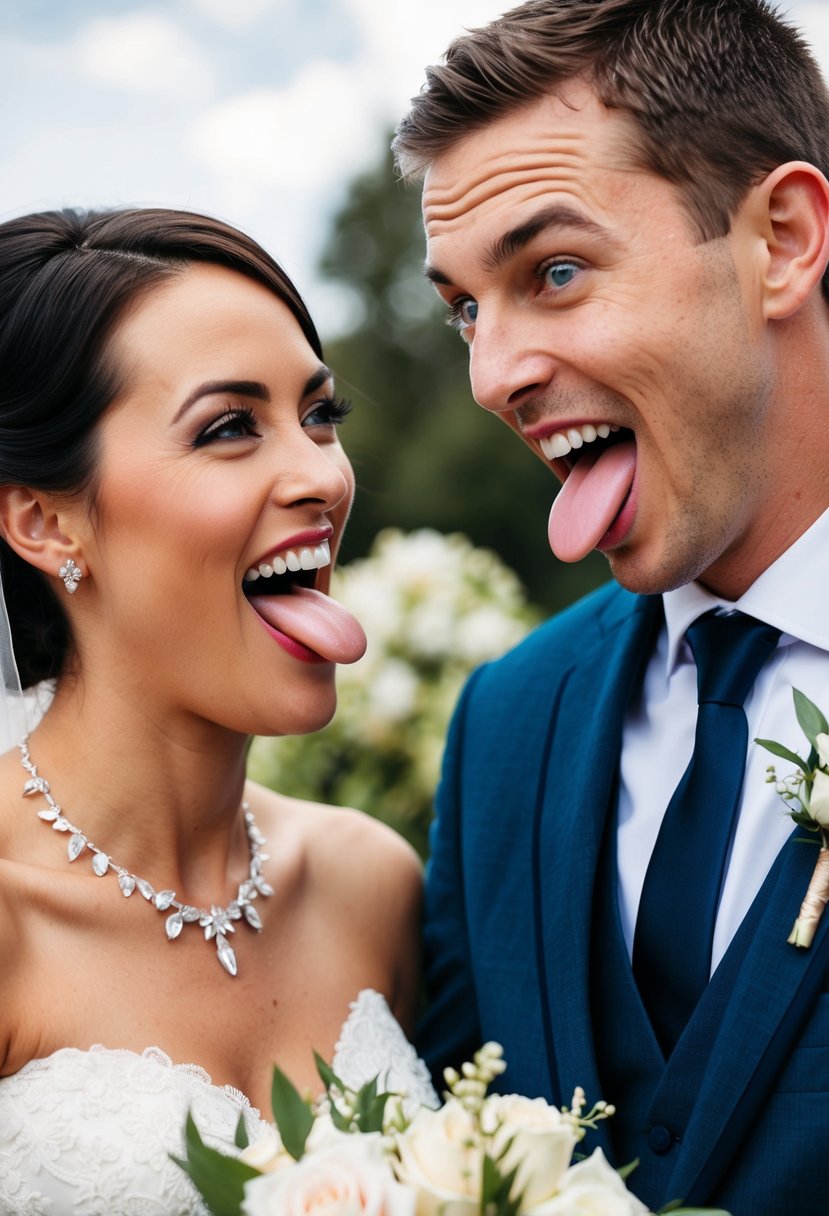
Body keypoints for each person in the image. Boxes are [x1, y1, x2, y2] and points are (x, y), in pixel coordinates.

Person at [393, 1, 829, 1213]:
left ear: (782, 240)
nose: (492, 375)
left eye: (556, 272)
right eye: (465, 307)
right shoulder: (506, 722)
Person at [0, 206, 434, 1214]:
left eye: (321, 415)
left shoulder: (371, 885)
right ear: (43, 518)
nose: (324, 476)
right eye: (230, 427)